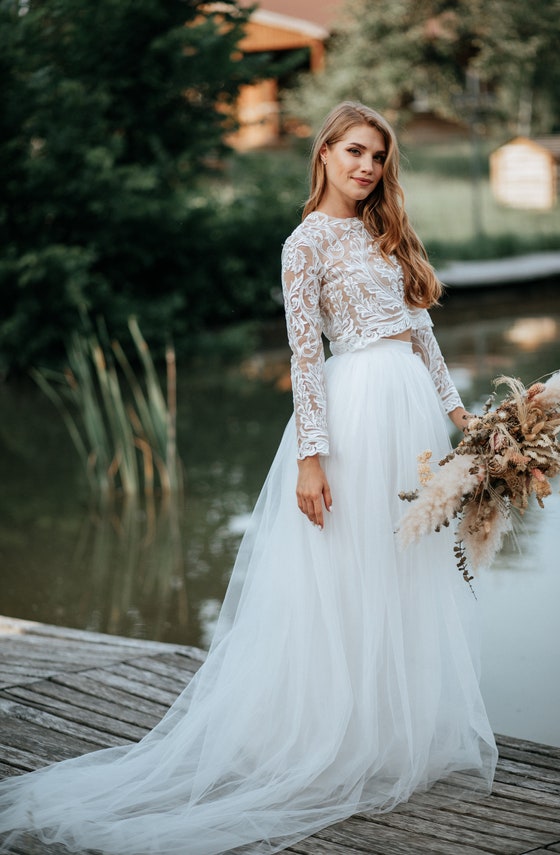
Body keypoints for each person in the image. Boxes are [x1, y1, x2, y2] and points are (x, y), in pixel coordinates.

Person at [0, 101, 497, 855]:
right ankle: (336, 735)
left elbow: (424, 338)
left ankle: (395, 733)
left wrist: (468, 423)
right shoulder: (304, 244)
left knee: (407, 567)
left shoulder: (386, 232)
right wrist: (309, 456)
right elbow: (305, 354)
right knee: (352, 566)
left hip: (413, 420)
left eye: (378, 159)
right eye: (355, 151)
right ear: (325, 151)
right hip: (356, 413)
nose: (368, 168)